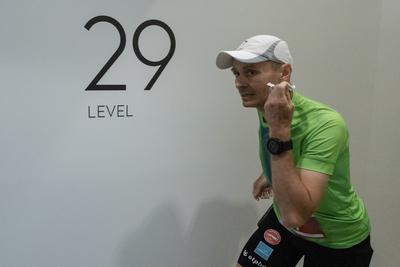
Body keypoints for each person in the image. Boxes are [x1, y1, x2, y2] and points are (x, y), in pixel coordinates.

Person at [216, 35, 373, 267]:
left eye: (250, 73)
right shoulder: (269, 106)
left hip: (337, 239)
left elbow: (295, 216)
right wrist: (267, 174)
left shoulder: (326, 123)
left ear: (284, 73)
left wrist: (279, 130)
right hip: (286, 217)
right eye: (236, 73)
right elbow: (297, 149)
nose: (239, 82)